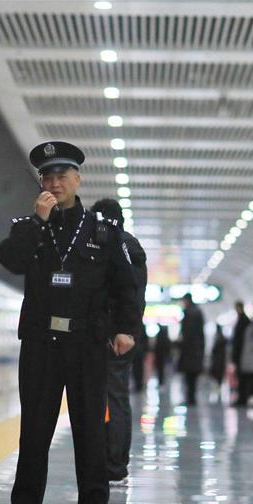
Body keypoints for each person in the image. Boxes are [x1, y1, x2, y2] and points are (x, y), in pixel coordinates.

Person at [0, 140, 139, 504]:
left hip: (85, 344)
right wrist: (37, 223)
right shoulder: (29, 228)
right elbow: (11, 261)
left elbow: (126, 285)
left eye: (62, 175)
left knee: (90, 423)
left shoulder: (103, 231)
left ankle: (95, 503)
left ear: (77, 179)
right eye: (47, 176)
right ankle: (25, 503)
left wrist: (126, 329)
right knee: (35, 426)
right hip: (41, 344)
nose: (55, 183)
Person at [90, 198, 147, 486]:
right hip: (123, 334)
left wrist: (120, 331)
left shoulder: (115, 247)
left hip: (112, 336)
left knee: (110, 397)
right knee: (116, 397)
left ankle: (113, 464)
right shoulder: (133, 247)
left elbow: (124, 294)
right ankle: (114, 463)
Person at [176, 293, 205, 406]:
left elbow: (187, 333)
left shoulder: (189, 313)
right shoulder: (198, 312)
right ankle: (191, 397)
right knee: (193, 375)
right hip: (196, 349)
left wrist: (180, 344)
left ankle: (190, 398)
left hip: (189, 350)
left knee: (189, 375)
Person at [230, 301, 250, 401]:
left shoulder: (243, 320)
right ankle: (242, 397)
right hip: (241, 353)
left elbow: (240, 339)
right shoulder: (243, 320)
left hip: (242, 353)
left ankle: (242, 397)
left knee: (242, 376)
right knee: (240, 376)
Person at [209, 325, 228, 394]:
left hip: (218, 361)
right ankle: (218, 388)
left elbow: (214, 351)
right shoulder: (222, 339)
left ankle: (217, 389)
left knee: (217, 375)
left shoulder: (218, 339)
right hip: (221, 360)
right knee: (219, 375)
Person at [131, 326, 149, 392]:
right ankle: (139, 384)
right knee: (138, 369)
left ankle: (138, 384)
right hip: (138, 351)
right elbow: (146, 340)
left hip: (136, 351)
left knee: (137, 369)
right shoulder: (142, 327)